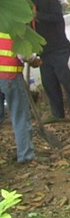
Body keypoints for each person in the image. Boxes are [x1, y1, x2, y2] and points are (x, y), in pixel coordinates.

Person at [13, 0, 70, 123]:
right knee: (49, 82)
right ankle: (57, 113)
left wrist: (37, 15)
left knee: (64, 79)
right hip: (43, 51)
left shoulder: (49, 0)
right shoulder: (25, 7)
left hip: (58, 47)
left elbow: (57, 18)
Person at [0, 31, 41, 163]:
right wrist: (35, 60)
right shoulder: (13, 30)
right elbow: (25, 54)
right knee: (20, 115)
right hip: (10, 77)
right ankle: (26, 155)